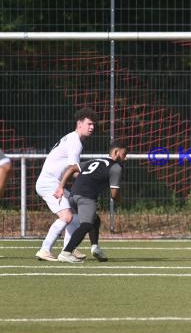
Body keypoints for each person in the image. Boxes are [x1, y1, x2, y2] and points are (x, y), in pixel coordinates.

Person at [35, 107, 100, 261]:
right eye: (89, 124)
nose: (92, 127)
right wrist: (90, 180)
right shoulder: (75, 142)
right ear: (79, 123)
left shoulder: (72, 139)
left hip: (52, 182)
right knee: (67, 216)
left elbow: (72, 170)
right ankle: (44, 250)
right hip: (49, 183)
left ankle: (68, 249)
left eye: (93, 125)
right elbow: (74, 170)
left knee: (75, 215)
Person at [54, 141, 128, 263]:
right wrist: (121, 200)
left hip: (73, 195)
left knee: (95, 220)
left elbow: (72, 168)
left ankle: (95, 248)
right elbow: (114, 195)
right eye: (124, 154)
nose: (125, 158)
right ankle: (66, 252)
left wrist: (61, 186)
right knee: (86, 224)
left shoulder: (95, 161)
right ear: (116, 152)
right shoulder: (116, 167)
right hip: (86, 196)